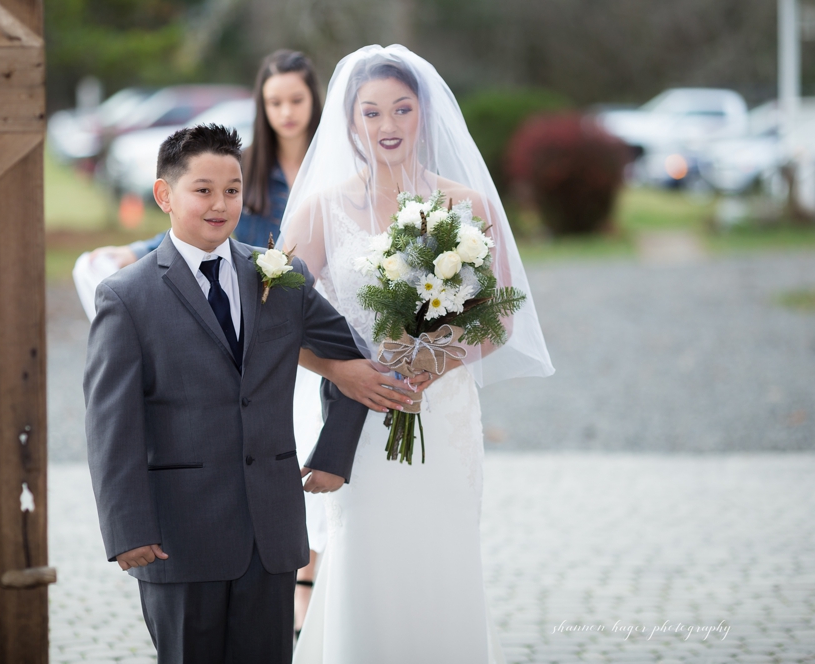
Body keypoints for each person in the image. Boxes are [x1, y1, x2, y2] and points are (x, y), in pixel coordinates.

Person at [280, 45, 553, 663]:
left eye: (402, 109)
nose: (388, 125)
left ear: (423, 115)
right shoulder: (323, 208)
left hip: (444, 414)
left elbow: (500, 316)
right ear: (350, 122)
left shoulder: (466, 205)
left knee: (442, 550)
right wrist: (343, 371)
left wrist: (433, 364)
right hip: (362, 416)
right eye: (372, 113)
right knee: (367, 552)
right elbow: (279, 320)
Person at [83, 124, 384, 663]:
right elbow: (111, 425)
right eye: (202, 190)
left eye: (232, 189)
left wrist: (334, 455)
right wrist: (127, 528)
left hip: (270, 533)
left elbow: (351, 355)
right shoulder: (127, 297)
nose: (220, 204)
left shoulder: (281, 276)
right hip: (179, 535)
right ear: (164, 195)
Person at [88, 50, 324, 272]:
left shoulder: (331, 167)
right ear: (263, 106)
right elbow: (196, 224)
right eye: (275, 102)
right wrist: (136, 251)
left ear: (313, 100)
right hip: (263, 301)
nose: (286, 112)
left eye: (296, 100)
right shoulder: (242, 167)